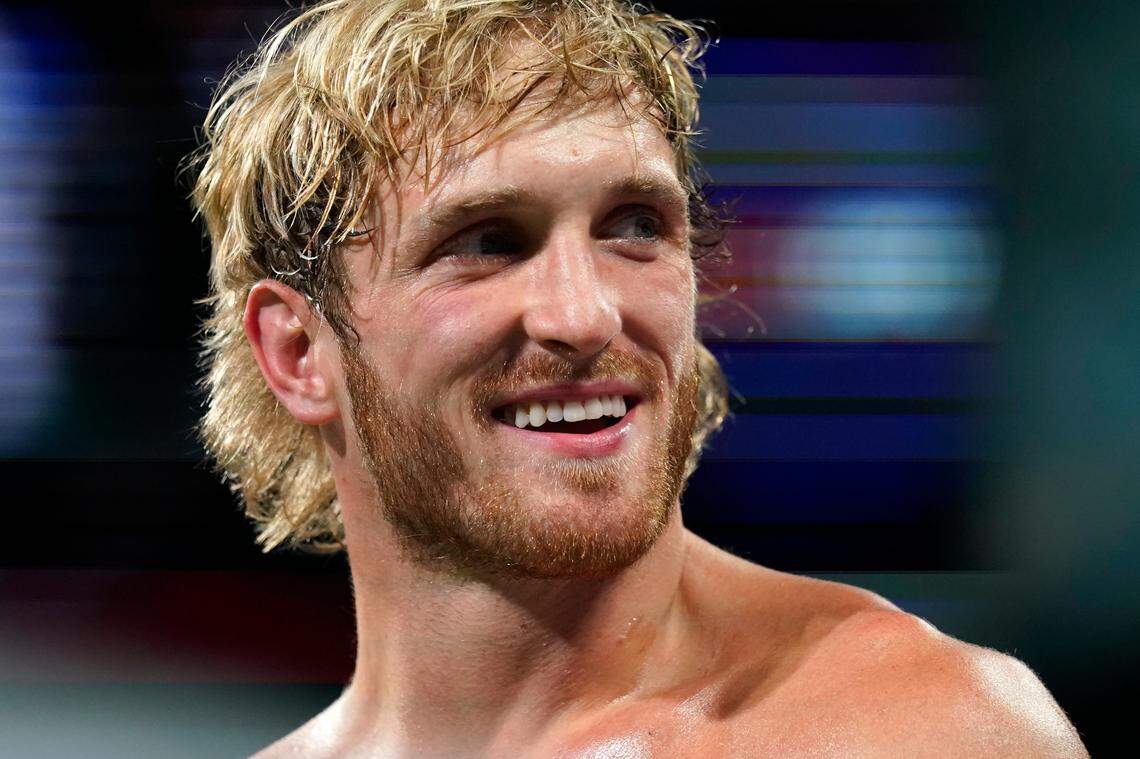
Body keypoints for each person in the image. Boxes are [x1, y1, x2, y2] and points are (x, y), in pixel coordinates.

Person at [189, 1, 1088, 756]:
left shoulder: (917, 729)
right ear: (300, 352)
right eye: (486, 243)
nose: (583, 316)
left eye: (633, 226)